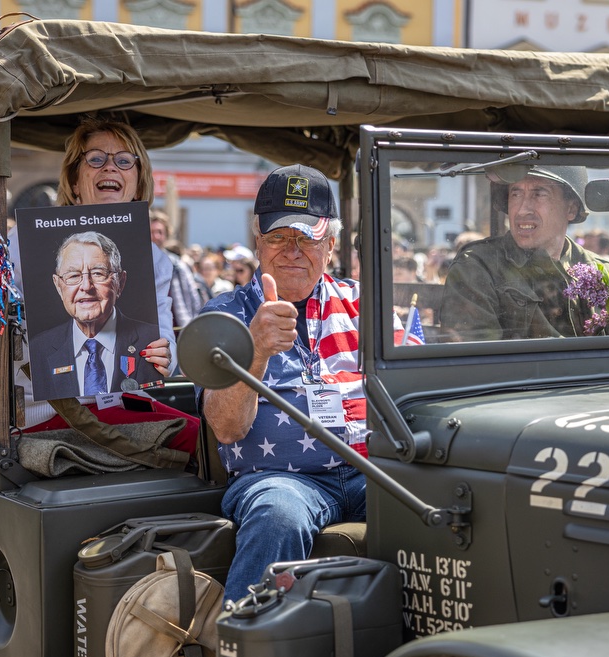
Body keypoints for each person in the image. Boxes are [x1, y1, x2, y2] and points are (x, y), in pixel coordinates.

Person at [195, 163, 403, 602]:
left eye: (306, 237)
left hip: (372, 469)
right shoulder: (225, 315)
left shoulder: (367, 305)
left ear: (330, 244)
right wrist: (256, 349)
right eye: (278, 237)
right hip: (279, 479)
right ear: (258, 244)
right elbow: (226, 427)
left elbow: (414, 396)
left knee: (434, 502)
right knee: (278, 515)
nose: (292, 250)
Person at [2, 117, 194, 450]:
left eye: (124, 160)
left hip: (123, 406)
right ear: (75, 180)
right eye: (96, 159)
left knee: (207, 435)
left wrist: (166, 355)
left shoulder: (154, 258)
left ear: (137, 182)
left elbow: (162, 340)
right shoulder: (22, 242)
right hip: (47, 413)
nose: (110, 168)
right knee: (197, 437)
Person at [439, 165, 609, 340]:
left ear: (571, 209)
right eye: (515, 193)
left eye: (539, 194)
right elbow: (478, 362)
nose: (522, 209)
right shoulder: (477, 267)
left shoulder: (604, 273)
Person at [29, 231, 163, 399]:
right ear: (58, 286)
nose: (86, 286)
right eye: (73, 276)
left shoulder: (154, 342)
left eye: (98, 273)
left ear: (120, 282)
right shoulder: (37, 350)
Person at [150, 208, 203, 333]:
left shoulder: (177, 265)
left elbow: (192, 298)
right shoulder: (138, 265)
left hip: (177, 330)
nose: (156, 236)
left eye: (160, 232)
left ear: (166, 235)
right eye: (151, 232)